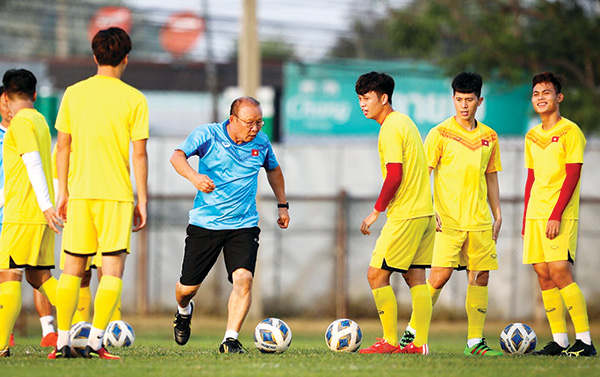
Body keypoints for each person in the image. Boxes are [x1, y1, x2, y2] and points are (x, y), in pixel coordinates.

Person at [52, 27, 149, 360]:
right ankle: (95, 343)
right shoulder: (135, 99)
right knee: (112, 272)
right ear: (126, 58)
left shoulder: (73, 94)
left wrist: (63, 191)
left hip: (79, 194)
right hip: (117, 196)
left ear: (95, 56)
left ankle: (63, 341)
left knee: (71, 269)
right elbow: (139, 154)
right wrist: (143, 200)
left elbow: (62, 146)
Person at [171, 96, 290, 354]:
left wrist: (282, 205)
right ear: (233, 119)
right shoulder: (208, 135)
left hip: (244, 224)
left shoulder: (262, 142)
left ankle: (230, 339)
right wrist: (194, 177)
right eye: (250, 122)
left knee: (243, 279)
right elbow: (177, 156)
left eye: (260, 122)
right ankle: (183, 311)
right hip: (206, 223)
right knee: (186, 289)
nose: (256, 128)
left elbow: (274, 170)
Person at [402, 72, 503, 356]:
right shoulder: (439, 133)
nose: (463, 105)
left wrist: (497, 213)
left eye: (469, 100)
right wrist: (428, 209)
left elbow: (491, 177)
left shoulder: (489, 136)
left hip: (480, 221)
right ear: (453, 99)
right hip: (447, 221)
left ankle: (475, 343)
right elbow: (423, 174)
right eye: (458, 99)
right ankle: (412, 334)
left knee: (480, 276)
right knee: (439, 276)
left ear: (479, 100)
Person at [355, 72, 435, 355]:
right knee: (416, 279)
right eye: (360, 99)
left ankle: (389, 341)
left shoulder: (390, 127)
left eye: (367, 98)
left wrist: (376, 211)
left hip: (406, 214)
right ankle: (419, 344)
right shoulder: (405, 122)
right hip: (424, 212)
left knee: (376, 275)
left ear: (383, 98)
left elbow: (395, 175)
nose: (362, 104)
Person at [523, 72, 595, 357]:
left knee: (560, 271)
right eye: (536, 94)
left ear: (559, 97)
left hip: (560, 214)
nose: (541, 98)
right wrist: (526, 217)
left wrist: (555, 214)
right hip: (535, 215)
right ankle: (560, 341)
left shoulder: (570, 131)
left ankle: (586, 342)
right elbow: (530, 178)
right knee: (543, 274)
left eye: (546, 93)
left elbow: (573, 175)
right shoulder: (531, 135)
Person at [0, 69, 63, 357]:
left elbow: (34, 163)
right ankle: (79, 325)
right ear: (35, 95)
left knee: (7, 275)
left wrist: (46, 204)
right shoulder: (38, 119)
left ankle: (0, 345)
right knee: (39, 278)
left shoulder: (20, 123)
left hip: (24, 213)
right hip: (36, 214)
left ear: (6, 97)